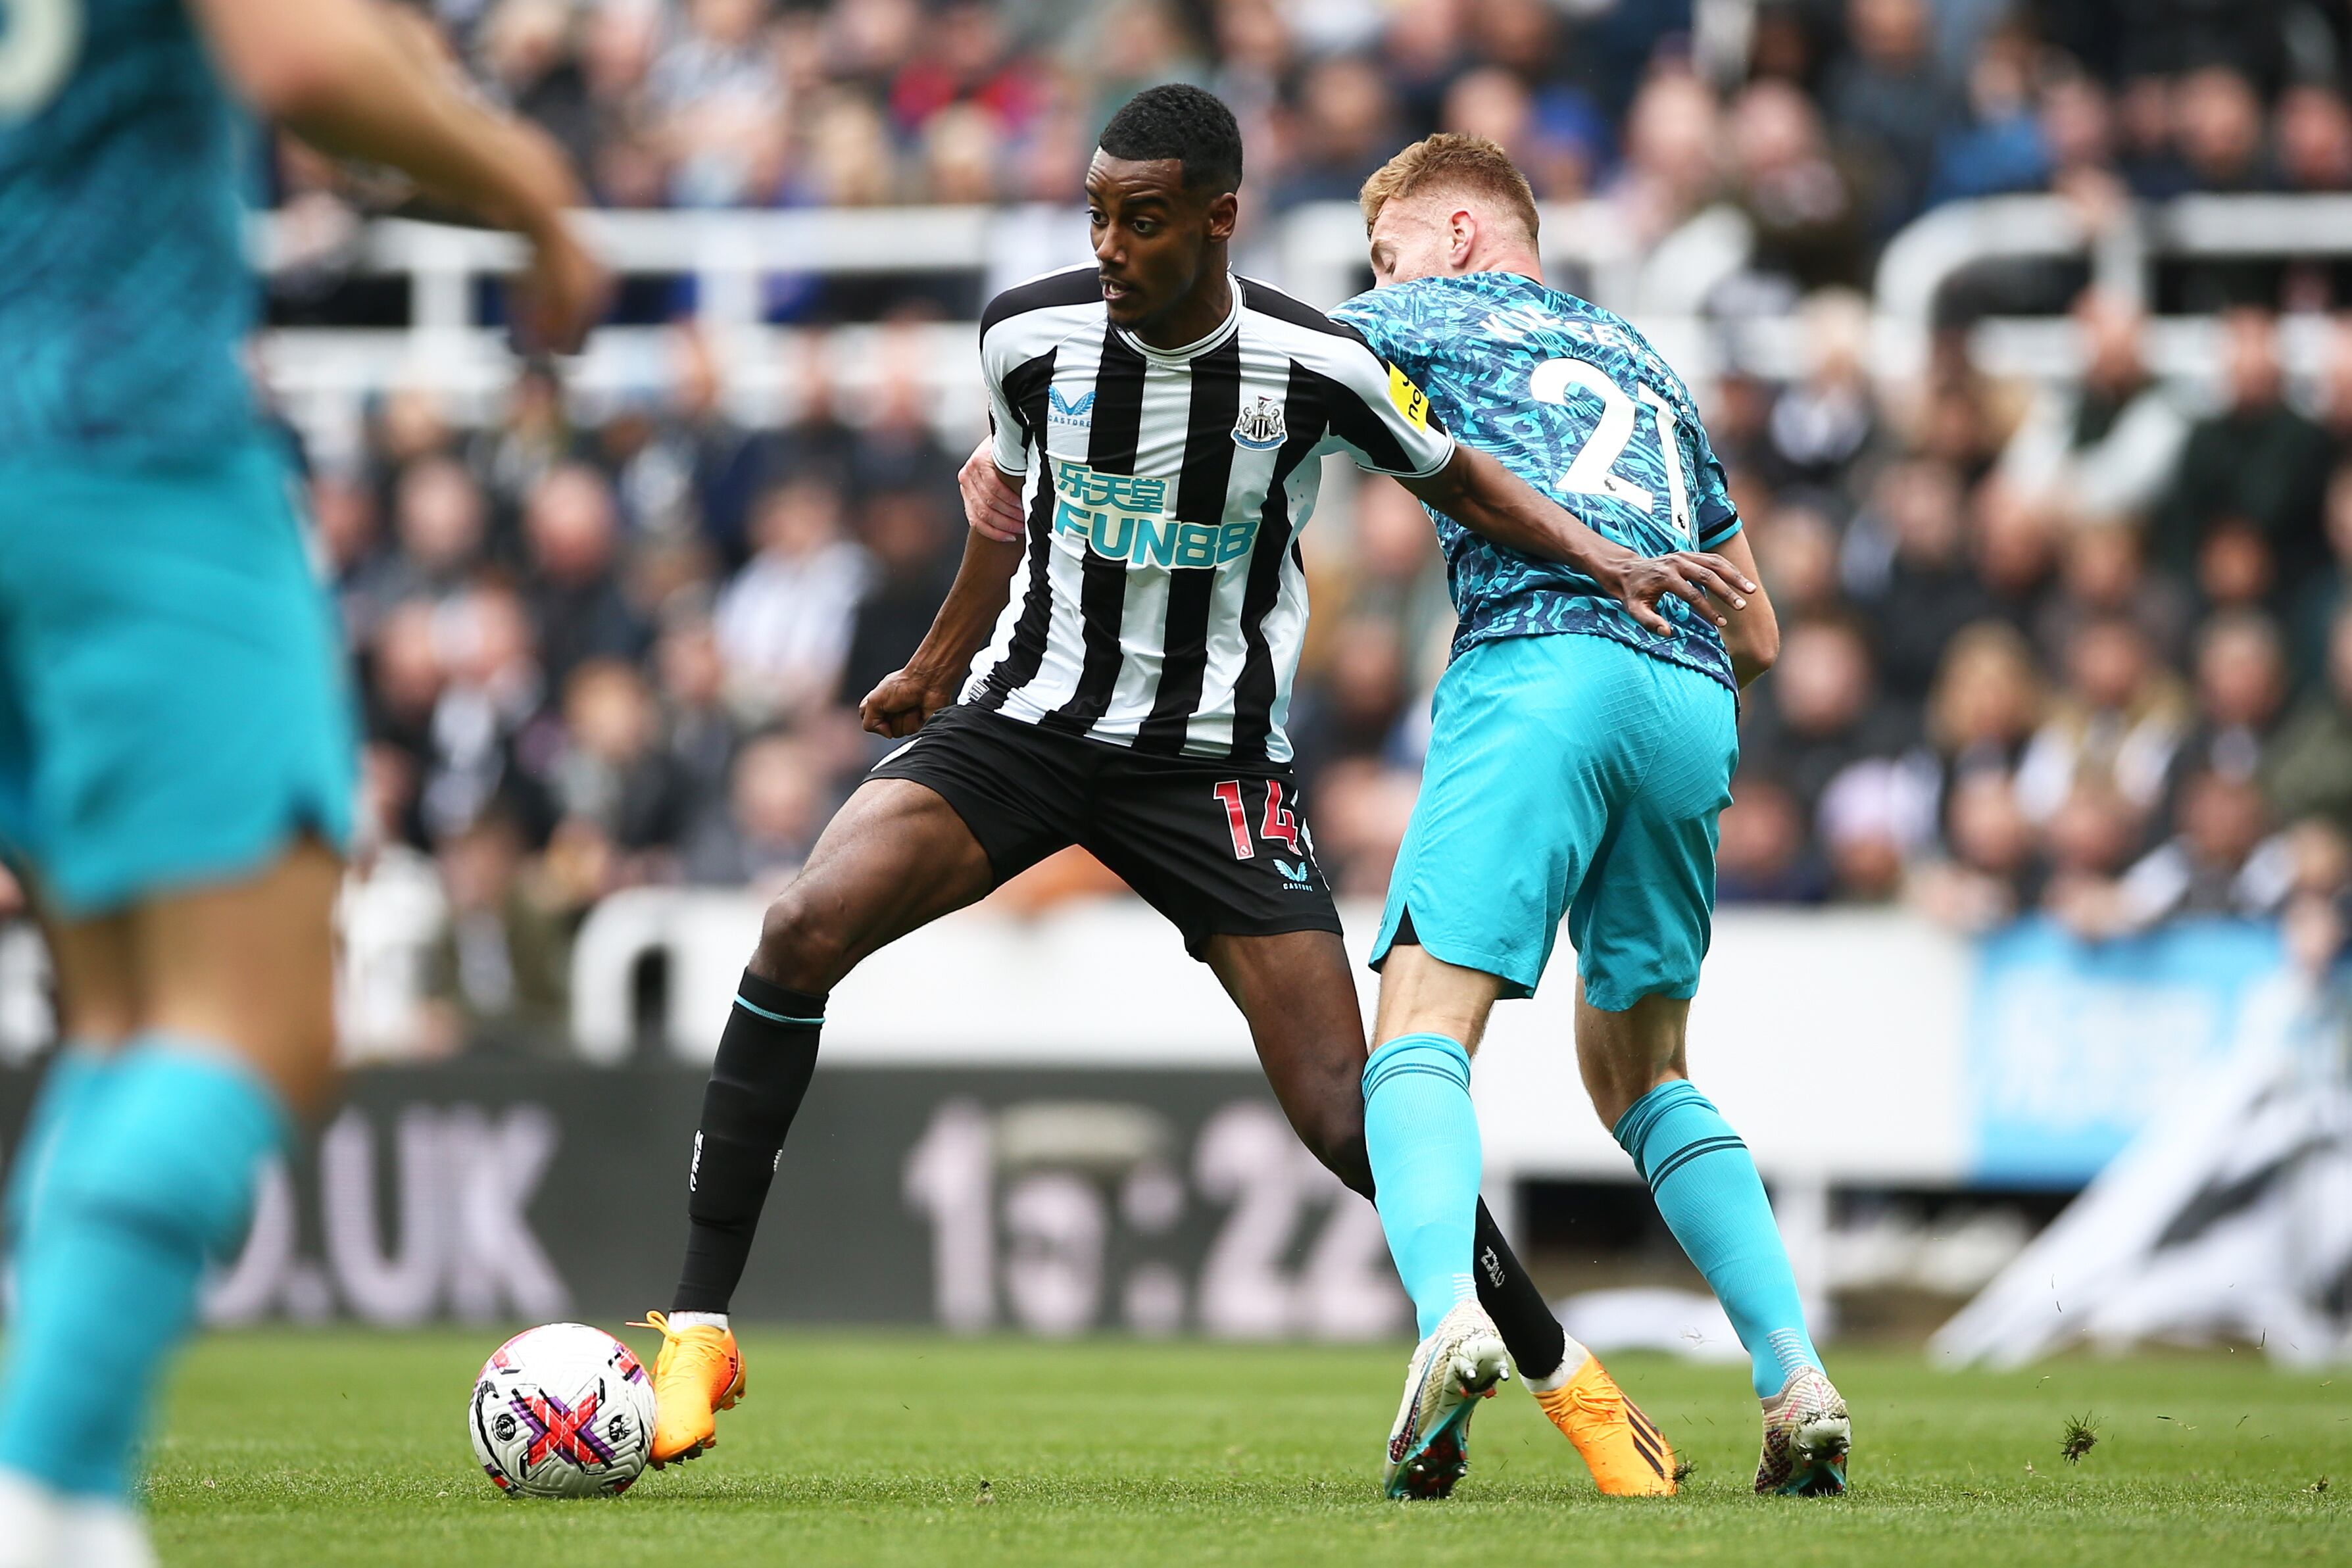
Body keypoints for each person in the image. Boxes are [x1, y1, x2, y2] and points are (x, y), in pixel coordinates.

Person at [638, 85, 1738, 1490]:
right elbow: (1005, 507)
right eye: (1096, 213)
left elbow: (1465, 481)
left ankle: (1571, 1385)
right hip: (1026, 725)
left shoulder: (1316, 363)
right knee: (801, 928)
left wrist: (1610, 559)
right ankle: (703, 1324)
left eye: (1140, 220)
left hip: (1214, 763)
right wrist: (932, 668)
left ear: (1219, 220)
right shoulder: (1027, 334)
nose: (1107, 244)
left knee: (1351, 1112)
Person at [0, 3, 601, 1563]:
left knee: (123, 1022)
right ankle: (37, 1480)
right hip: (122, 449)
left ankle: (68, 1501)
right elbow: (301, 63)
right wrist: (531, 188)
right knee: (251, 1023)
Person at [1327, 132, 1850, 1499]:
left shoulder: (1420, 312)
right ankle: (1795, 1375)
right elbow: (1769, 629)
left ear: (1453, 236)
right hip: (1689, 705)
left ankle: (1447, 1320)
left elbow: (1271, 362)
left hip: (1539, 665)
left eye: (1386, 252)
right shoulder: (1647, 364)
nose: (1374, 279)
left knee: (1424, 1022)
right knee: (1642, 1072)